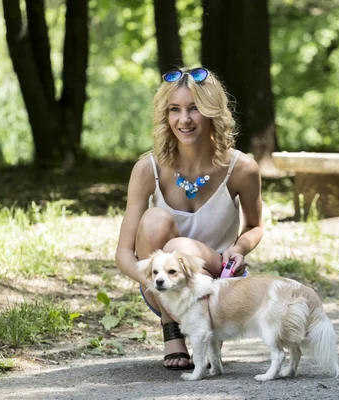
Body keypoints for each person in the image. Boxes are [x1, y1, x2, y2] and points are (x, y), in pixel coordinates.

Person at [115, 66, 263, 370]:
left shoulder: (242, 168)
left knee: (181, 245)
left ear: (212, 111)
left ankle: (208, 323)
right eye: (175, 109)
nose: (184, 119)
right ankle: (172, 330)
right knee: (155, 220)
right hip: (165, 287)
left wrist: (240, 249)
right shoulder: (148, 170)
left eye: (194, 108)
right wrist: (157, 285)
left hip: (216, 280)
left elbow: (254, 226)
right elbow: (123, 254)